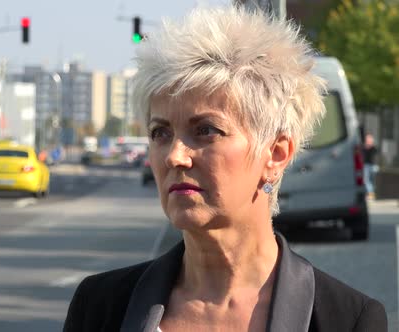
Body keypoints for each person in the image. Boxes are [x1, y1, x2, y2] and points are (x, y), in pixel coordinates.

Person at [63, 6, 387, 332]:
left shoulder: (347, 320)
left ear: (275, 154)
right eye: (160, 133)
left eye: (205, 130)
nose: (175, 156)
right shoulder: (100, 308)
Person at [363, 133, 378, 200]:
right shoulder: (364, 147)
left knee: (373, 181)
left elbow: (376, 153)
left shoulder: (373, 148)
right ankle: (370, 193)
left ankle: (372, 193)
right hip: (366, 166)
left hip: (373, 166)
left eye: (369, 139)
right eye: (367, 139)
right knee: (366, 180)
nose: (368, 140)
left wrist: (371, 145)